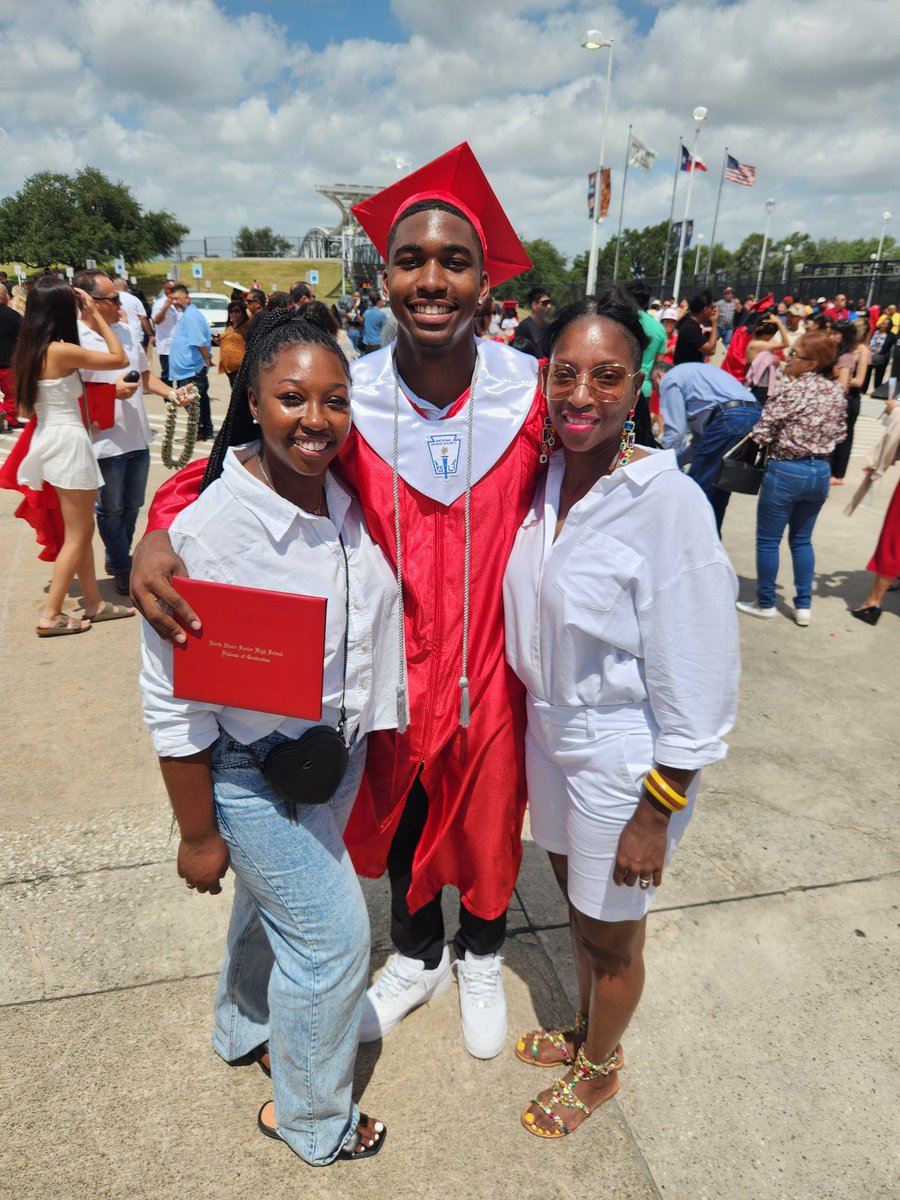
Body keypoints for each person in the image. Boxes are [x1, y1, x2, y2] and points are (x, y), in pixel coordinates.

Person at [128, 143, 545, 1061]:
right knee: (392, 810)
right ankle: (419, 952)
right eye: (411, 260)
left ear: (485, 282)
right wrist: (159, 529)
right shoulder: (350, 392)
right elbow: (245, 465)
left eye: (454, 261)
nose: (431, 279)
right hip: (385, 659)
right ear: (383, 277)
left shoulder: (531, 392)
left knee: (485, 811)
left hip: (489, 659)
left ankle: (481, 949)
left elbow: (599, 476)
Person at [140, 311, 396, 1165]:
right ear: (251, 400)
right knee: (332, 942)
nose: (315, 419)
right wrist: (200, 834)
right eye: (291, 398)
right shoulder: (212, 538)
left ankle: (241, 1025)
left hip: (334, 751)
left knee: (271, 913)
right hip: (252, 773)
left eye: (335, 400)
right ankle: (310, 1119)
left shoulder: (347, 489)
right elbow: (173, 706)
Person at [502, 289, 738, 1138]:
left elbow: (701, 674)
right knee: (579, 910)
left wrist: (657, 810)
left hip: (622, 754)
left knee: (614, 936)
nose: (581, 397)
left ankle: (601, 1069)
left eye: (606, 378)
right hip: (549, 735)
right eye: (566, 374)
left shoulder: (662, 503)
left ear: (639, 384)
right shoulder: (541, 482)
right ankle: (586, 1031)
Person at [12, 275, 135, 635]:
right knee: (79, 534)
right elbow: (119, 357)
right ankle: (50, 615)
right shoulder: (59, 350)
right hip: (69, 442)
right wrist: (96, 315)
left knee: (80, 527)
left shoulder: (30, 350)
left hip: (51, 439)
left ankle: (94, 602)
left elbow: (23, 408)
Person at [75, 269, 185, 597]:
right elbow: (70, 393)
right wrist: (109, 393)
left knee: (133, 503)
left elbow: (147, 378)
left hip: (136, 434)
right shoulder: (74, 338)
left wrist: (173, 394)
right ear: (88, 301)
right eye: (111, 299)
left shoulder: (124, 330)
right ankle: (123, 565)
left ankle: (116, 555)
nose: (119, 304)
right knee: (110, 507)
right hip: (104, 439)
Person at [736, 333, 847, 625]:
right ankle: (803, 607)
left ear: (812, 363)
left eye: (794, 354)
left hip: (787, 470)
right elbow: (840, 435)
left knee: (769, 541)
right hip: (819, 472)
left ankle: (766, 603)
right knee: (802, 540)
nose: (787, 358)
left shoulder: (792, 391)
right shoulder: (836, 392)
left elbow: (761, 433)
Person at [656, 360, 762, 531]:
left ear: (658, 376)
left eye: (656, 389)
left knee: (696, 488)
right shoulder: (697, 380)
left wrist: (660, 466)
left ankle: (691, 543)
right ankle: (712, 540)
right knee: (720, 485)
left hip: (729, 416)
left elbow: (675, 432)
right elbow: (697, 447)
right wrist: (675, 462)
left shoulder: (669, 380)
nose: (661, 395)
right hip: (753, 414)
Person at [168, 285, 214, 441]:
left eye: (177, 298)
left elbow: (199, 341)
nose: (174, 302)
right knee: (200, 400)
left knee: (192, 402)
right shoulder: (189, 314)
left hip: (191, 369)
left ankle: (199, 431)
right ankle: (205, 430)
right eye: (172, 299)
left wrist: (206, 359)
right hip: (189, 368)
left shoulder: (190, 315)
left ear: (187, 298)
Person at [830, 320, 869, 485]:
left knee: (845, 437)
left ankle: (838, 474)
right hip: (839, 393)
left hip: (851, 397)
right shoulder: (842, 349)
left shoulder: (862, 351)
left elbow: (859, 381)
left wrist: (840, 378)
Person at [0, 282, 23, 431]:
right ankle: (11, 420)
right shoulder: (13, 315)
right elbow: (22, 337)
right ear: (4, 296)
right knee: (11, 394)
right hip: (8, 361)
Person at [673, 293, 718, 365]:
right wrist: (714, 323)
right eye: (711, 308)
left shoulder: (693, 325)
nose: (712, 311)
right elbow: (710, 350)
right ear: (705, 310)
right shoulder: (690, 328)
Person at [151, 281, 181, 384]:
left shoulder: (177, 303)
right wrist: (165, 307)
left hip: (179, 346)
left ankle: (180, 397)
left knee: (181, 375)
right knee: (168, 375)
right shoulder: (160, 303)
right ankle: (168, 398)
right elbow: (157, 320)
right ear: (168, 291)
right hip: (167, 348)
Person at [510, 287, 553, 359]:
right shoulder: (523, 327)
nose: (549, 306)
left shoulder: (548, 327)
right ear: (534, 305)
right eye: (545, 303)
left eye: (549, 303)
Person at [217, 299, 249, 386]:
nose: (234, 314)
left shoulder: (247, 327)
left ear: (243, 312)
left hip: (240, 369)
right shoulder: (229, 327)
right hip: (228, 369)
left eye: (237, 311)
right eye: (231, 311)